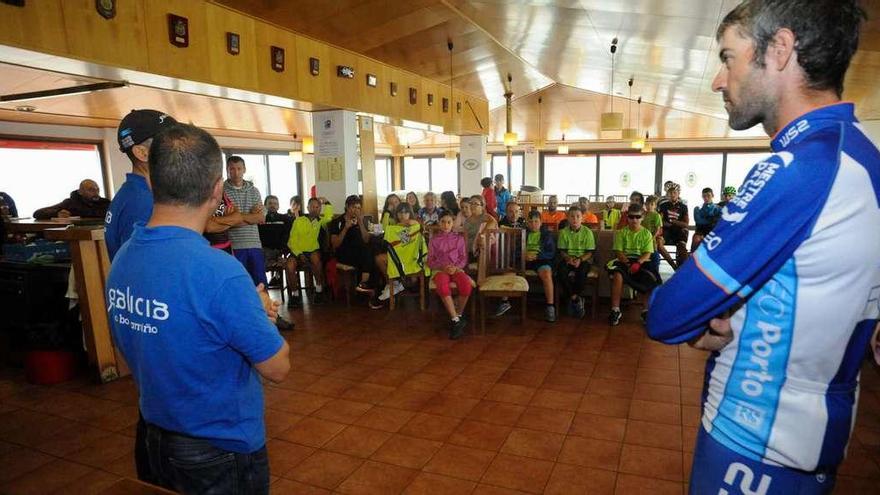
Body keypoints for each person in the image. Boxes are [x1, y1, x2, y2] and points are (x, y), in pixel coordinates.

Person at [647, 2, 879, 493]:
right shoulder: (862, 156)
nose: (717, 79)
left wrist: (706, 317)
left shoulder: (801, 168)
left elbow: (667, 313)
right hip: (815, 433)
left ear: (779, 49)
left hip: (754, 441)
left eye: (728, 57)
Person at [107, 123, 289, 494]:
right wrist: (259, 313)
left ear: (153, 182)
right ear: (217, 189)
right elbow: (278, 367)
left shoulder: (125, 256)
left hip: (154, 435)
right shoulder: (219, 272)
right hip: (217, 447)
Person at [105, 109, 178, 262]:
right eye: (170, 143)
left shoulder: (136, 193)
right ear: (142, 153)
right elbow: (144, 268)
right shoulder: (142, 202)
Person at [606, 204, 661, 326]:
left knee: (650, 277)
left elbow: (647, 253)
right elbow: (619, 252)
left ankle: (646, 310)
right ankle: (615, 309)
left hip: (642, 261)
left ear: (642, 217)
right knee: (617, 274)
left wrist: (638, 263)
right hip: (625, 260)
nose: (634, 220)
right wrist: (627, 263)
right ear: (627, 217)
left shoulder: (646, 233)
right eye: (631, 217)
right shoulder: (621, 233)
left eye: (637, 217)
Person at [330, 195, 383, 308]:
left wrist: (360, 222)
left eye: (359, 208)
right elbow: (335, 244)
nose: (356, 210)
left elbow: (366, 239)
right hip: (344, 254)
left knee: (373, 255)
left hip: (361, 253)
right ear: (347, 207)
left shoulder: (362, 221)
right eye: (354, 207)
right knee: (371, 255)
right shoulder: (337, 222)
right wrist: (346, 228)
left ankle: (365, 287)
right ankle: (368, 290)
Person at [427, 210, 472, 340]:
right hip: (440, 270)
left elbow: (463, 258)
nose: (446, 225)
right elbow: (430, 260)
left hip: (456, 269)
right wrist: (442, 267)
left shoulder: (459, 239)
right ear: (439, 223)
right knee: (442, 285)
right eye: (443, 222)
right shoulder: (434, 240)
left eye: (449, 222)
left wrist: (455, 267)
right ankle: (455, 319)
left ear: (453, 223)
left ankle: (458, 316)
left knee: (466, 285)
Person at [224, 156, 267, 285]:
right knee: (239, 284)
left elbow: (260, 218)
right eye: (232, 169)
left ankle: (263, 306)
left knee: (260, 284)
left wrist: (236, 216)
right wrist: (250, 216)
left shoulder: (254, 191)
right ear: (227, 170)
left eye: (239, 168)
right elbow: (226, 221)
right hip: (234, 245)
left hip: (255, 244)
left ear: (244, 170)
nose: (236, 172)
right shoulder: (222, 193)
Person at [286, 197, 333, 307]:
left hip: (313, 251)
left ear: (320, 209)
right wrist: (299, 254)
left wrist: (327, 202)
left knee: (316, 259)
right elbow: (291, 240)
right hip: (297, 251)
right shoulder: (298, 221)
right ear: (307, 207)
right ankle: (295, 295)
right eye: (312, 206)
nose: (315, 209)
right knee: (289, 266)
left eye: (317, 207)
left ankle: (319, 290)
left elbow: (329, 217)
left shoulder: (321, 221)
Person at [556, 206, 595, 319]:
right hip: (568, 259)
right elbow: (562, 251)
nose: (575, 219)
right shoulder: (563, 232)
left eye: (578, 216)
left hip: (583, 259)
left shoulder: (588, 232)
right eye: (572, 216)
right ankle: (575, 298)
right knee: (561, 271)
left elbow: (590, 252)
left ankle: (572, 298)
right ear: (567, 218)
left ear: (582, 218)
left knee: (581, 273)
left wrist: (580, 260)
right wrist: (568, 258)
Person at [525, 210, 557, 322]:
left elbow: (551, 252)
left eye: (536, 221)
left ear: (541, 222)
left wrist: (537, 256)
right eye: (531, 222)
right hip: (525, 260)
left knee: (547, 274)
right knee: (509, 270)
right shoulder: (523, 234)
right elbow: (515, 250)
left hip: (541, 259)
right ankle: (505, 302)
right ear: (527, 223)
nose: (533, 224)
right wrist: (524, 255)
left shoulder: (547, 234)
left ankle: (550, 306)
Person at [33, 179, 110, 220]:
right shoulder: (70, 203)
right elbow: (38, 213)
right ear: (80, 192)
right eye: (91, 190)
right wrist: (56, 214)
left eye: (97, 189)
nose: (96, 192)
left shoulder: (104, 202)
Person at [657, 183, 689, 267]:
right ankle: (673, 265)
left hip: (679, 231)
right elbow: (659, 221)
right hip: (666, 231)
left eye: (674, 192)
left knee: (682, 246)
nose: (672, 195)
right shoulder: (663, 205)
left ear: (678, 193)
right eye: (670, 193)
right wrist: (670, 223)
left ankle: (683, 270)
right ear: (667, 194)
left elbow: (686, 224)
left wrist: (673, 222)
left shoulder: (683, 207)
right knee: (658, 244)